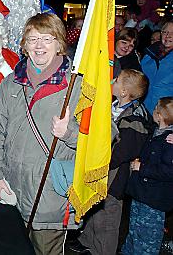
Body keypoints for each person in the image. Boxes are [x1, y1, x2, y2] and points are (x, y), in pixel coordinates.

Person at [0, 13, 81, 254]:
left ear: (60, 43)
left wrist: (69, 133)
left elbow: (106, 136)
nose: (39, 46)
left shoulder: (77, 85)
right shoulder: (11, 83)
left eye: (47, 39)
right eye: (32, 39)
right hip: (10, 190)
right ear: (24, 46)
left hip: (50, 197)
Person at [74, 69, 154, 255]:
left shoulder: (135, 120)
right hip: (101, 172)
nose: (112, 81)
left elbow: (122, 152)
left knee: (107, 221)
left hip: (114, 178)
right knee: (94, 211)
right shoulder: (116, 105)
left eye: (116, 80)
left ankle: (104, 251)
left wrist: (98, 159)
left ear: (125, 91)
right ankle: (91, 246)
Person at [122, 97, 173, 255]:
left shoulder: (169, 141)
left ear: (160, 115)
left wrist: (141, 167)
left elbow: (168, 171)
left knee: (148, 239)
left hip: (154, 200)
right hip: (142, 194)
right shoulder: (156, 132)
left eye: (156, 108)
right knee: (134, 232)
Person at [141, 20, 173, 114]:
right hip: (144, 108)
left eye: (172, 33)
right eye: (165, 32)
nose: (168, 35)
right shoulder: (150, 53)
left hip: (167, 112)